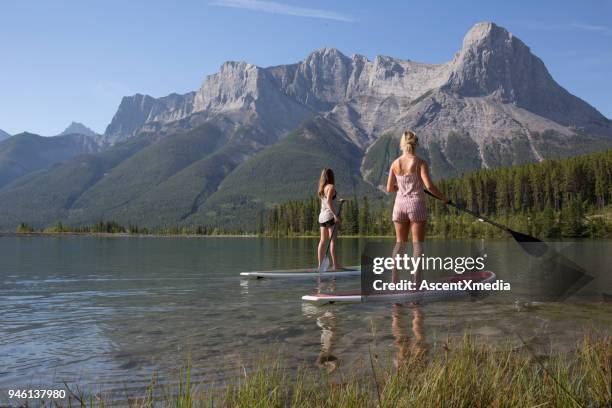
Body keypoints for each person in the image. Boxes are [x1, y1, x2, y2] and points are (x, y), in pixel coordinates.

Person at [386, 131, 448, 285]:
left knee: (400, 243)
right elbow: (429, 186)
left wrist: (402, 186)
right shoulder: (420, 162)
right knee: (417, 245)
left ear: (402, 144)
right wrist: (444, 198)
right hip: (416, 205)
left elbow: (389, 188)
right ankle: (416, 283)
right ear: (416, 144)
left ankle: (394, 282)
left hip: (399, 205)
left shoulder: (395, 163)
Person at [317, 168, 343, 271]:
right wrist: (335, 215)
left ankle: (320, 265)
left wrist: (338, 201)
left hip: (322, 217)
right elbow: (329, 202)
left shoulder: (321, 188)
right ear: (331, 176)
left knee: (322, 241)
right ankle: (336, 265)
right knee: (333, 242)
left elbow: (329, 200)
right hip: (330, 217)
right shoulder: (331, 187)